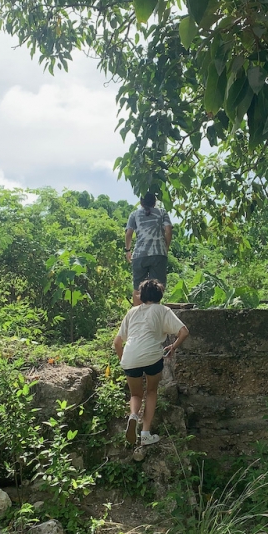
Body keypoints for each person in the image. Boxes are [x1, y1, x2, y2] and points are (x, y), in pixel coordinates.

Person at [113, 278, 189, 447]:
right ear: (160, 295)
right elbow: (183, 332)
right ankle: (145, 433)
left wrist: (124, 362)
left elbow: (117, 343)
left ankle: (133, 415)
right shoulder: (163, 310)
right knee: (152, 391)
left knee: (135, 394)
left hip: (130, 358)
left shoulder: (132, 312)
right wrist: (173, 347)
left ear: (141, 295)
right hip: (152, 357)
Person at [125, 190, 172, 305]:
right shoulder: (162, 212)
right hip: (158, 253)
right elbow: (168, 230)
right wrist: (165, 247)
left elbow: (129, 234)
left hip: (140, 254)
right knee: (157, 287)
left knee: (137, 287)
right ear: (154, 202)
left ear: (141, 202)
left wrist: (127, 250)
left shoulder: (134, 214)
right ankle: (153, 315)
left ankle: (137, 316)